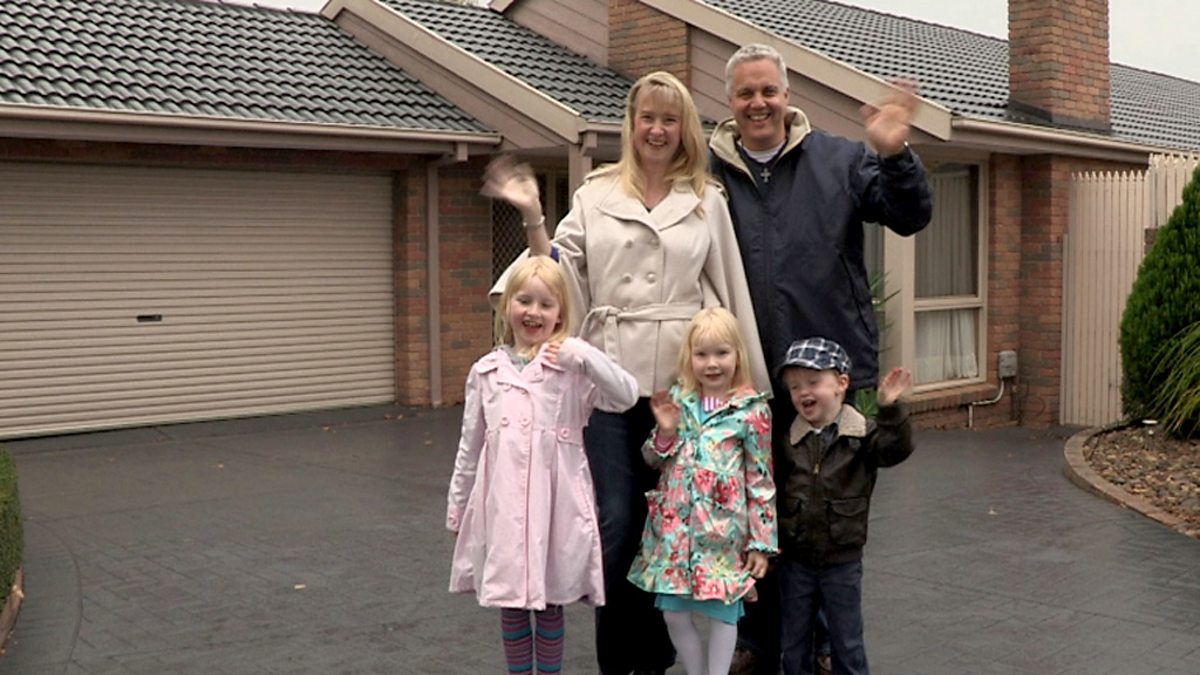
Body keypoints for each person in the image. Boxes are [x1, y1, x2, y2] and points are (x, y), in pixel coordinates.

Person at [482, 71, 770, 675]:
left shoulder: (706, 199)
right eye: (648, 118)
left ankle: (658, 657)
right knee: (615, 521)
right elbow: (558, 274)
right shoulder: (595, 195)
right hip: (609, 382)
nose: (657, 130)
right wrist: (533, 216)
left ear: (684, 128)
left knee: (675, 523)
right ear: (631, 124)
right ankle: (619, 661)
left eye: (670, 119)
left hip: (684, 388)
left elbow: (728, 288)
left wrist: (748, 385)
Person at [708, 43, 934, 674]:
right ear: (729, 101)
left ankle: (828, 644)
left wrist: (895, 154)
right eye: (746, 93)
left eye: (768, 90)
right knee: (755, 507)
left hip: (828, 375)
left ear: (787, 95)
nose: (758, 103)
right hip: (746, 374)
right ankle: (760, 639)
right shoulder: (707, 171)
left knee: (826, 509)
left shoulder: (840, 159)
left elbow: (910, 214)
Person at [446, 256, 640, 675]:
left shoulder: (571, 371)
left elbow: (626, 395)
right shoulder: (486, 372)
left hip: (557, 505)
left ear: (560, 315)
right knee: (512, 602)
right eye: (524, 300)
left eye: (546, 304)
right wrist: (458, 507)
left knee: (550, 600)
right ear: (506, 306)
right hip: (503, 506)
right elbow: (469, 447)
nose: (533, 312)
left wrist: (583, 354)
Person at [626, 308, 777, 675]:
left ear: (737, 354)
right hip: (675, 536)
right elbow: (652, 459)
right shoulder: (679, 401)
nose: (712, 363)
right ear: (689, 357)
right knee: (674, 615)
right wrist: (665, 432)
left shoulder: (752, 411)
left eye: (722, 353)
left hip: (723, 536)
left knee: (724, 615)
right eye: (702, 354)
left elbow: (761, 480)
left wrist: (761, 543)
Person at [773, 337, 914, 675]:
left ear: (841, 384)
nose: (803, 392)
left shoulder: (861, 435)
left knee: (847, 641)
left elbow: (895, 450)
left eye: (813, 382)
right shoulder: (788, 439)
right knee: (794, 641)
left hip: (842, 561)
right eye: (794, 386)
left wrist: (890, 408)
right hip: (796, 561)